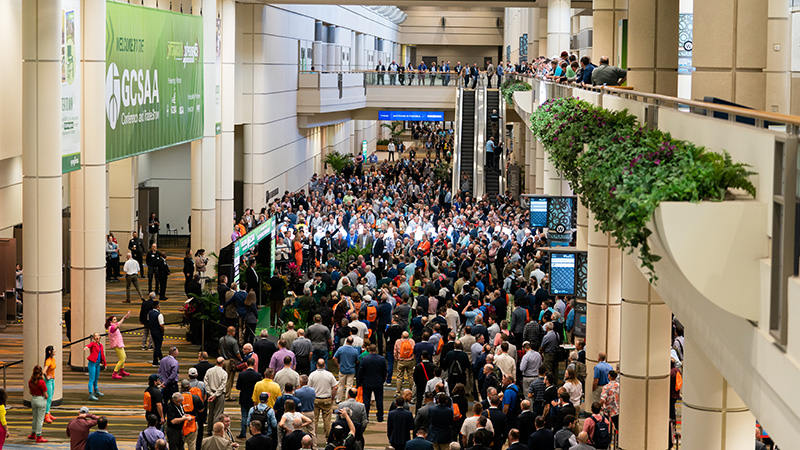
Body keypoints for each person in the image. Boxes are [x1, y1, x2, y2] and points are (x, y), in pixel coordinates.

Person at [308, 358, 337, 439]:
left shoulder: (312, 375)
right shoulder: (329, 375)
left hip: (315, 399)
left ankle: (313, 437)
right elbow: (335, 387)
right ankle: (328, 437)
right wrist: (332, 397)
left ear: (316, 365)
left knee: (314, 420)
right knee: (327, 420)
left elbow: (309, 388)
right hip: (327, 399)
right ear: (324, 365)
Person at [359, 344, 388, 422]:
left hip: (367, 382)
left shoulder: (365, 359)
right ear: (376, 350)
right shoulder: (381, 359)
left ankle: (366, 416)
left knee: (366, 401)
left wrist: (360, 382)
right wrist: (382, 380)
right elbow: (384, 371)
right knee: (379, 400)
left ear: (369, 350)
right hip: (378, 382)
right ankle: (380, 417)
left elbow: (361, 371)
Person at [236, 358, 263, 439]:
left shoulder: (242, 374)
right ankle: (253, 432)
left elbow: (238, 387)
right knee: (253, 416)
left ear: (246, 364)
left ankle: (243, 433)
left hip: (244, 397)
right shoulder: (258, 375)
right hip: (254, 398)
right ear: (254, 364)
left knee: (244, 415)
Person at [105, 311, 131, 380]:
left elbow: (118, 323)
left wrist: (124, 317)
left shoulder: (113, 326)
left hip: (119, 343)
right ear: (110, 321)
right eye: (114, 320)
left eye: (116, 319)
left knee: (123, 357)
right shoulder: (112, 328)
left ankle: (122, 371)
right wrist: (123, 318)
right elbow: (118, 325)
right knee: (122, 359)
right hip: (116, 344)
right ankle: (114, 373)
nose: (115, 321)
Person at [333, 336, 360, 402]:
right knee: (349, 385)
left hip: (342, 369)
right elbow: (357, 361)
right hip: (351, 370)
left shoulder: (341, 349)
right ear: (352, 342)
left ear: (346, 341)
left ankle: (339, 399)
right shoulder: (355, 351)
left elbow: (334, 358)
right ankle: (347, 398)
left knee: (341, 385)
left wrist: (338, 365)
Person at [206, 357, 229, 429]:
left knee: (210, 413)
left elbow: (206, 383)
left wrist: (211, 394)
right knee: (218, 413)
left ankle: (209, 428)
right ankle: (215, 429)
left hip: (210, 394)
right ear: (223, 363)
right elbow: (222, 386)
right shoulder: (224, 373)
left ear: (216, 362)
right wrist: (215, 395)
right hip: (220, 395)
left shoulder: (209, 371)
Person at [84, 333, 106, 401]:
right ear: (93, 338)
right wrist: (87, 347)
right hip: (92, 363)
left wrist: (105, 364)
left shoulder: (101, 345)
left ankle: (96, 390)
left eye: (98, 336)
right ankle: (91, 393)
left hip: (97, 364)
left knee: (96, 378)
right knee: (92, 379)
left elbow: (102, 355)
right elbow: (89, 345)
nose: (97, 337)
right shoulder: (93, 344)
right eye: (95, 336)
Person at [43, 345, 57, 423]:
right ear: (49, 352)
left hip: (52, 380)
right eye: (53, 349)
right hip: (48, 381)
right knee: (48, 398)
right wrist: (47, 377)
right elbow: (43, 371)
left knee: (51, 397)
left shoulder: (53, 359)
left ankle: (48, 412)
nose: (55, 351)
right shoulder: (48, 360)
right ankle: (46, 414)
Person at [148, 300, 165, 366]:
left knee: (157, 345)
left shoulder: (150, 313)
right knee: (158, 347)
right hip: (158, 332)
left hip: (152, 331)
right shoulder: (159, 315)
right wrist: (163, 331)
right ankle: (155, 361)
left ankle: (161, 359)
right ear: (158, 306)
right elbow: (161, 325)